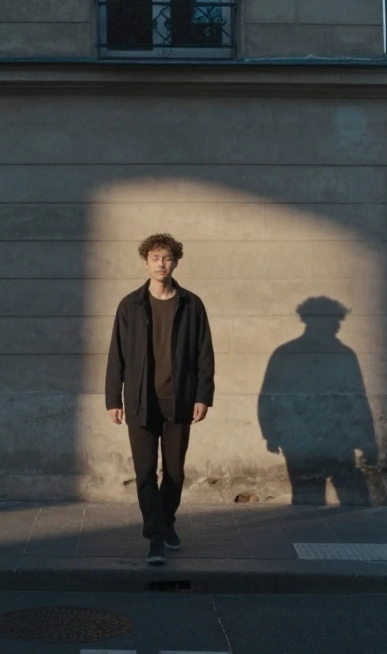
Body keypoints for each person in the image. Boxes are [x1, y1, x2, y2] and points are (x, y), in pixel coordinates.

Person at [105, 233, 215, 566]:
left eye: (167, 258)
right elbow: (116, 356)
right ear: (146, 261)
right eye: (155, 258)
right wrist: (113, 398)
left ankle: (166, 523)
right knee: (145, 473)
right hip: (141, 401)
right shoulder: (130, 305)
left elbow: (204, 354)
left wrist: (203, 396)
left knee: (176, 473)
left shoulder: (191, 304)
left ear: (176, 261)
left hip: (179, 400)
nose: (161, 264)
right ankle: (156, 536)